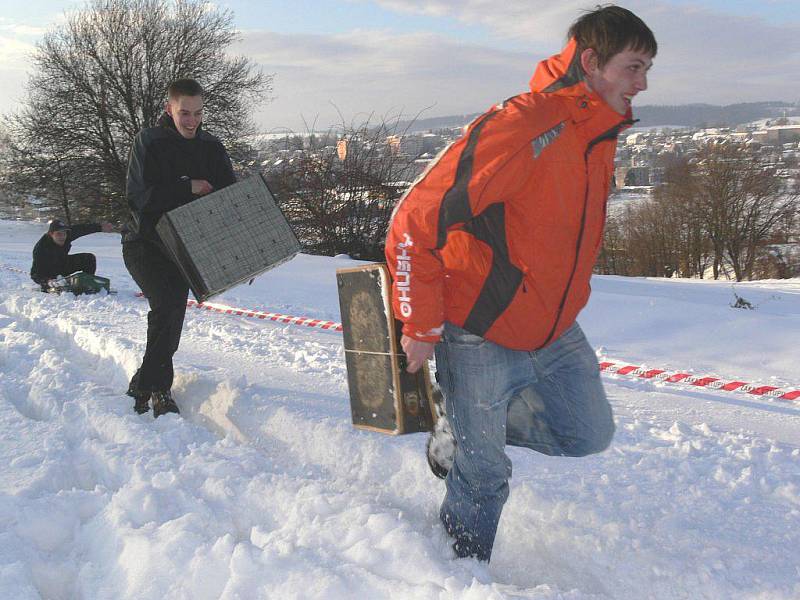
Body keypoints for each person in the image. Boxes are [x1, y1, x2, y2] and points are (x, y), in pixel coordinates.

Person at [385, 6, 656, 562]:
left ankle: (462, 429)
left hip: (553, 328)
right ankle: (460, 576)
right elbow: (413, 220)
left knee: (587, 433)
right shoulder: (526, 125)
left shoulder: (597, 135)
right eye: (633, 67)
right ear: (591, 62)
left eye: (647, 68)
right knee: (485, 477)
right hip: (479, 330)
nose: (643, 83)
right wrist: (421, 322)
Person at [122, 78, 235, 417]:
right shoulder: (149, 142)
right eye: (184, 112)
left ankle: (144, 380)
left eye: (198, 113)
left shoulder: (212, 147)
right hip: (143, 243)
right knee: (168, 305)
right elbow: (140, 198)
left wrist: (243, 250)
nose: (191, 121)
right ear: (169, 108)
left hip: (182, 248)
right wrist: (189, 187)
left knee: (170, 316)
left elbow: (230, 199)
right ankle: (157, 389)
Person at [30, 218, 114, 291]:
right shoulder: (41, 248)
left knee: (88, 258)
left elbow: (81, 229)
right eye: (58, 234)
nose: (62, 237)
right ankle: (54, 286)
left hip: (62, 264)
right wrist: (47, 281)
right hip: (49, 274)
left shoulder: (66, 235)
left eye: (64, 233)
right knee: (47, 276)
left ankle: (88, 283)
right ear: (51, 234)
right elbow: (35, 274)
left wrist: (100, 227)